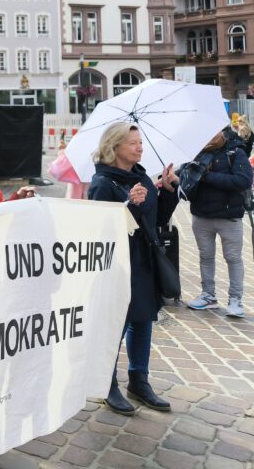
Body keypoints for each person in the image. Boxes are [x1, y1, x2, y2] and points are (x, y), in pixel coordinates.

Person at [88, 122, 179, 415]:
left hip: (144, 260)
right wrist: (129, 206)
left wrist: (167, 191)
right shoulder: (103, 183)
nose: (140, 147)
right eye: (132, 143)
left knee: (143, 321)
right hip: (117, 264)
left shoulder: (141, 177)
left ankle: (139, 380)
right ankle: (108, 382)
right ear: (114, 148)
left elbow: (156, 220)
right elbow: (100, 231)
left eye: (140, 142)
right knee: (116, 324)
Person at [185, 127, 251, 317]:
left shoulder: (235, 152)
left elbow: (243, 181)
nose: (209, 137)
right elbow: (188, 183)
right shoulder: (196, 154)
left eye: (214, 133)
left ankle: (236, 299)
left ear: (222, 133)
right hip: (201, 215)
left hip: (229, 216)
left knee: (233, 258)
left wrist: (207, 176)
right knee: (205, 257)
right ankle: (208, 296)